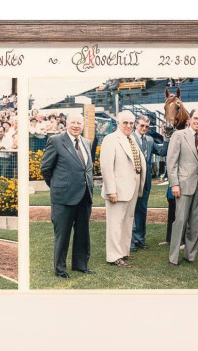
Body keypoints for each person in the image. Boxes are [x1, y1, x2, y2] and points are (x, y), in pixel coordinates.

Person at [40, 111, 95, 279]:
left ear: (83, 125)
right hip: (63, 198)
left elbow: (86, 168)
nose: (76, 126)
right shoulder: (56, 141)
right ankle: (60, 269)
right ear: (66, 123)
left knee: (82, 234)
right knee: (62, 235)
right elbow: (45, 168)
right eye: (73, 123)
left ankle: (80, 265)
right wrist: (57, 186)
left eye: (79, 123)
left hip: (84, 196)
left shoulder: (86, 142)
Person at [99, 110, 146, 268]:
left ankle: (123, 252)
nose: (129, 125)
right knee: (115, 224)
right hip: (117, 191)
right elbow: (106, 167)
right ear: (118, 123)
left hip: (131, 189)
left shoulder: (131, 139)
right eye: (125, 122)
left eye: (131, 123)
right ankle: (113, 256)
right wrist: (111, 190)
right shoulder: (110, 139)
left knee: (127, 222)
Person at [165, 109, 198, 267]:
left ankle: (190, 255)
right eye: (196, 118)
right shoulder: (179, 135)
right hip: (183, 185)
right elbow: (171, 162)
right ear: (190, 119)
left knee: (195, 222)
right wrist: (174, 184)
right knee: (180, 221)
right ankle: (174, 257)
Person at [131, 115, 170, 252]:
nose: (144, 128)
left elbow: (162, 152)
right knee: (130, 211)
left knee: (141, 211)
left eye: (147, 126)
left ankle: (140, 240)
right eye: (142, 125)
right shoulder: (129, 138)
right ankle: (130, 242)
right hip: (131, 181)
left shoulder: (149, 139)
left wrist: (166, 137)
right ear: (136, 124)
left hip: (146, 181)